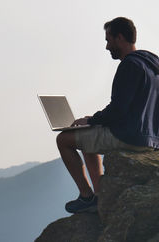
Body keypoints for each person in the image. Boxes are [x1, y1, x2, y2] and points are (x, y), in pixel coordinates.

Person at [56, 17, 159, 214]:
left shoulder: (129, 65)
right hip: (151, 139)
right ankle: (99, 195)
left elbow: (118, 109)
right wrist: (94, 123)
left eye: (108, 40)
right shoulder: (153, 66)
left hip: (129, 136)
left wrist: (92, 120)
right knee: (87, 138)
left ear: (119, 38)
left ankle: (87, 197)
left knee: (64, 140)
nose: (106, 46)